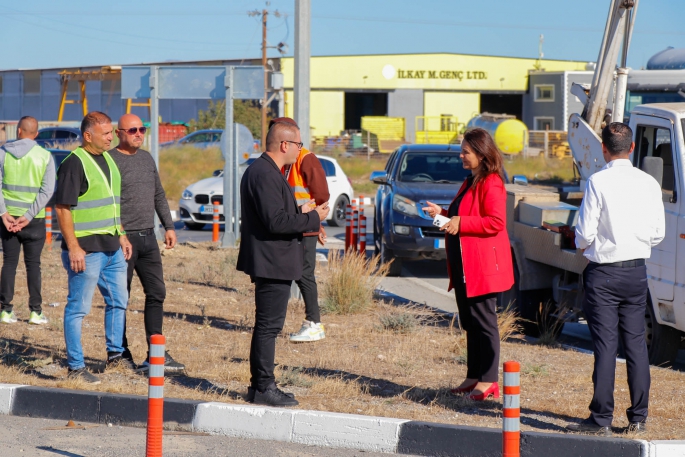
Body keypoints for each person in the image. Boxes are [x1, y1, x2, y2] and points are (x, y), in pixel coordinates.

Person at [566, 123, 664, 435]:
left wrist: (584, 245)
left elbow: (584, 233)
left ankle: (601, 419)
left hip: (604, 272)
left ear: (603, 149)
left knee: (606, 346)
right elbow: (658, 233)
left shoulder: (598, 181)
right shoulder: (649, 182)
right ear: (633, 148)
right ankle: (638, 417)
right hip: (636, 271)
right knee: (636, 345)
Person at [237, 122, 330, 406]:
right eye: (299, 145)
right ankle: (264, 387)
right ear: (284, 145)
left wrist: (302, 211)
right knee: (268, 327)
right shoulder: (264, 173)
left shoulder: (266, 171)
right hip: (271, 260)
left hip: (272, 259)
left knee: (268, 325)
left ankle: (259, 387)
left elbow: (275, 213)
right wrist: (315, 219)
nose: (301, 150)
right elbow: (275, 222)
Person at [423, 127, 514, 401]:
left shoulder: (492, 182)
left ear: (482, 153)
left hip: (482, 268)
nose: (461, 156)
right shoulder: (471, 180)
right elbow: (464, 214)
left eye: (466, 152)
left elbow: (495, 222)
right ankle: (473, 376)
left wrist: (460, 222)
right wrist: (443, 214)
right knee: (470, 323)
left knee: (485, 324)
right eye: (462, 150)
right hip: (464, 265)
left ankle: (488, 380)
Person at [55, 111, 133, 384]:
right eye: (106, 133)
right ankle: (76, 367)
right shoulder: (74, 164)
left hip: (112, 247)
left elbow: (112, 204)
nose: (111, 137)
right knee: (78, 308)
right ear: (88, 136)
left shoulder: (109, 159)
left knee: (118, 301)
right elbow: (63, 208)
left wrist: (121, 234)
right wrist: (73, 247)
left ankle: (115, 356)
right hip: (86, 251)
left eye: (112, 132)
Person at [108, 114, 185, 373]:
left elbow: (159, 195)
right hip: (123, 240)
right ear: (119, 133)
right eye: (133, 130)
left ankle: (155, 353)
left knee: (157, 293)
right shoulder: (110, 161)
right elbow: (106, 202)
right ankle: (119, 353)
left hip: (148, 238)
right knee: (121, 298)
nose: (139, 133)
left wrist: (169, 226)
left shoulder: (147, 158)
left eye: (142, 129)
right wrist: (119, 234)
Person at [269, 117, 329, 343]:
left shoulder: (305, 158)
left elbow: (322, 196)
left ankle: (314, 323)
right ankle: (309, 322)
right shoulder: (284, 161)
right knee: (299, 273)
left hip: (303, 224)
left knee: (304, 273)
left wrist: (314, 220)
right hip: (295, 222)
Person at [0, 116, 55, 325]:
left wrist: (4, 213)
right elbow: (47, 190)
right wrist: (28, 215)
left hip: (8, 220)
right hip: (34, 221)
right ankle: (35, 312)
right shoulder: (45, 156)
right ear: (37, 134)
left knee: (9, 263)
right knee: (34, 265)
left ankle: (5, 310)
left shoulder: (3, 153)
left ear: (19, 131)